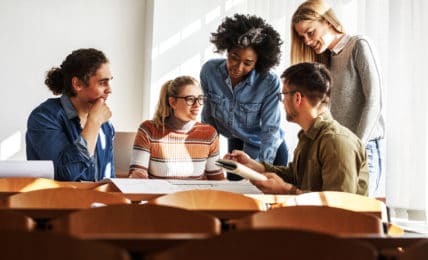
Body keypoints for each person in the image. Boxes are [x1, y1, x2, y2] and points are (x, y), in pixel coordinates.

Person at [227, 62, 368, 195]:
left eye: (284, 94)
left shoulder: (336, 142)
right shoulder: (308, 135)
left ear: (297, 98)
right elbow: (296, 177)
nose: (282, 101)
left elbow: (338, 207)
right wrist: (256, 166)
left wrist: (287, 191)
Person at [290, 0, 385, 196]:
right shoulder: (326, 59)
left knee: (356, 215)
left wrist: (356, 147)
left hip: (364, 148)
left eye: (310, 32)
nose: (306, 41)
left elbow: (374, 102)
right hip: (338, 150)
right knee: (337, 216)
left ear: (327, 21)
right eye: (302, 37)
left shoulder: (359, 46)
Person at [200, 14, 288, 180]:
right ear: (226, 50)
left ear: (258, 62)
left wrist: (262, 167)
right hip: (237, 144)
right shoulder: (210, 72)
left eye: (247, 63)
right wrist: (207, 162)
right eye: (234, 57)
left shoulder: (269, 82)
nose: (238, 67)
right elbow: (209, 121)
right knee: (235, 199)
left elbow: (270, 130)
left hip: (269, 150)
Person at [26, 48, 114, 181]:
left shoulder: (105, 125)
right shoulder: (44, 117)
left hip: (97, 201)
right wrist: (93, 123)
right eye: (102, 83)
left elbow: (108, 179)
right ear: (77, 84)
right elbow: (65, 174)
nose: (109, 89)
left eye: (110, 81)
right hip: (58, 200)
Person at [128, 76, 224, 180]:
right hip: (160, 196)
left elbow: (217, 180)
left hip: (195, 196)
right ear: (172, 102)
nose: (197, 105)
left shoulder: (209, 134)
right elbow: (136, 176)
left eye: (200, 99)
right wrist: (137, 176)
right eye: (190, 99)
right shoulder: (149, 130)